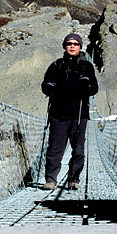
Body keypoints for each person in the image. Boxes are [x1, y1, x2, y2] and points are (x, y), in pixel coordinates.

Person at [41, 33, 98, 190]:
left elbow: (94, 88)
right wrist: (49, 87)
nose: (72, 46)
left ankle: (74, 178)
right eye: (69, 43)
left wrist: (86, 86)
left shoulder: (87, 67)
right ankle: (51, 179)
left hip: (79, 114)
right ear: (65, 46)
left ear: (80, 46)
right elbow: (45, 83)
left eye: (76, 44)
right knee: (54, 148)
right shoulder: (56, 65)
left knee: (78, 148)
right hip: (58, 113)